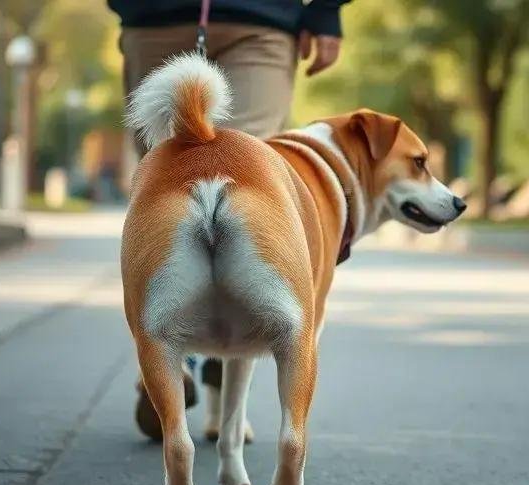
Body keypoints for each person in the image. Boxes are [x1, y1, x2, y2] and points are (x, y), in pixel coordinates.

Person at [107, 0, 350, 441]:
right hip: (155, 17)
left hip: (261, 20)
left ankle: (221, 392)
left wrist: (327, 9)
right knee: (163, 184)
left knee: (247, 179)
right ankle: (166, 360)